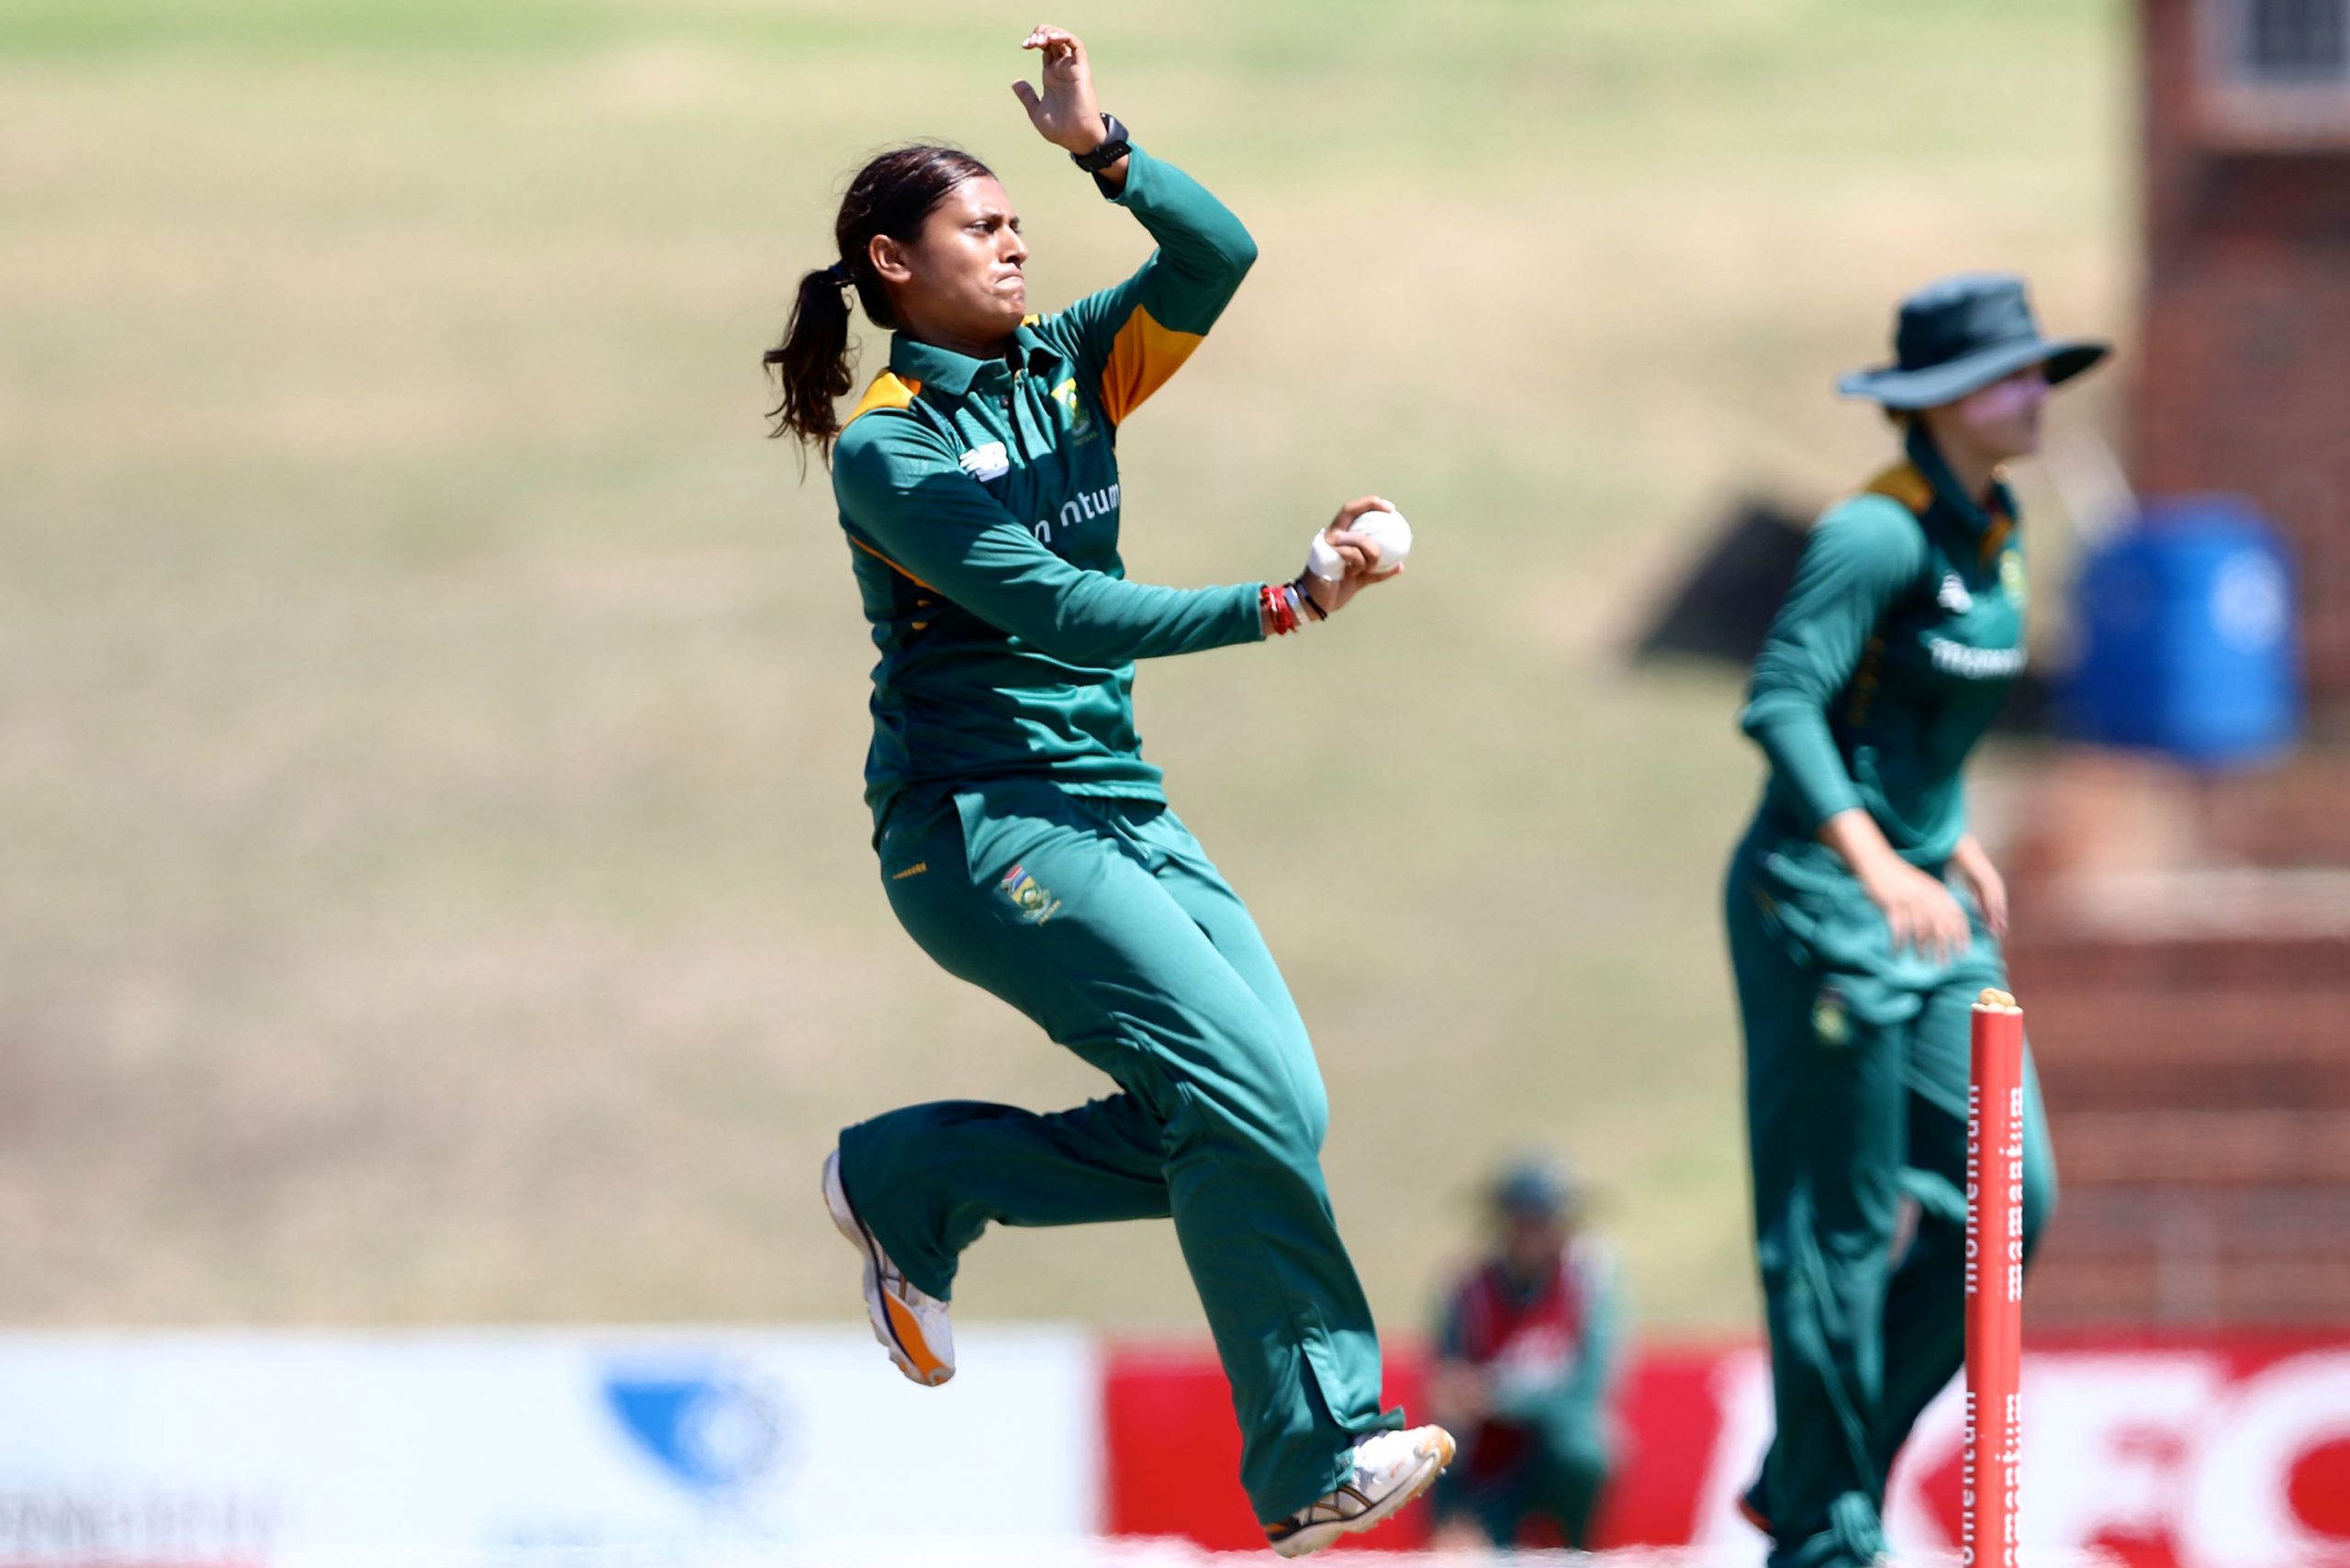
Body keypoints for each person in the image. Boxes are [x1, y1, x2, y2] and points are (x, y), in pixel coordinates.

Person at [763, 26, 1450, 1558]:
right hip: (983, 826)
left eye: (1021, 224)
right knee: (1237, 1102)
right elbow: (1057, 609)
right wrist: (1282, 601)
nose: (1015, 247)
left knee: (1275, 1109)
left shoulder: (1074, 362)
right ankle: (1317, 1449)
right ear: (890, 262)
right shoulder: (892, 449)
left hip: (1118, 802)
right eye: (979, 229)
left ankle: (919, 1171)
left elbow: (1222, 251)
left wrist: (1105, 147)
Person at [1722, 273, 2092, 1568]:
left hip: (1930, 909)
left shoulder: (1996, 527)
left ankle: (1815, 1469)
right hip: (1822, 907)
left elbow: (1909, 726)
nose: (2035, 397)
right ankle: (1825, 1534)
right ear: (1937, 402)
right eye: (2010, 377)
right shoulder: (1872, 536)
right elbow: (1782, 708)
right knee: (1836, 1219)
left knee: (2012, 1205)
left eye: (2040, 373)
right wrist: (1880, 860)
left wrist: (1947, 834)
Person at [1427, 1159, 1628, 1552]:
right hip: (1488, 1461)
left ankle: (1580, 1553)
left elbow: (1588, 1388)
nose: (1533, 1234)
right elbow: (1447, 1394)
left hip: (1559, 1454)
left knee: (1584, 1451)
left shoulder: (1587, 1282)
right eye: (1523, 1221)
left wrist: (1495, 1395)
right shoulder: (1467, 1292)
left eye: (1544, 1221)